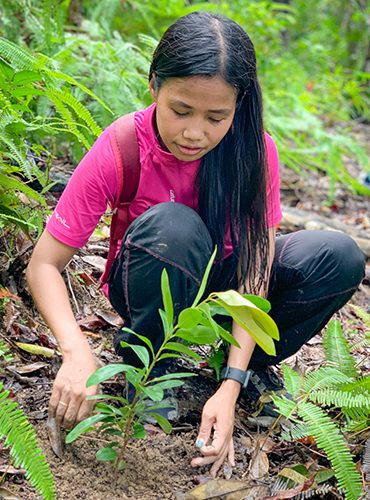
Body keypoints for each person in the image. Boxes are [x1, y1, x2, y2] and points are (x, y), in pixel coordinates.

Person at [26, 11, 365, 477]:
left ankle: (246, 374)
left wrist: (231, 383)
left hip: (225, 288)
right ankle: (147, 370)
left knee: (338, 256)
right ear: (153, 87)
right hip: (156, 271)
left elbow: (253, 273)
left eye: (216, 117)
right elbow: (43, 264)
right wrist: (75, 349)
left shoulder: (254, 152)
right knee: (175, 226)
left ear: (239, 106)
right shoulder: (124, 144)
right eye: (180, 110)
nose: (194, 133)